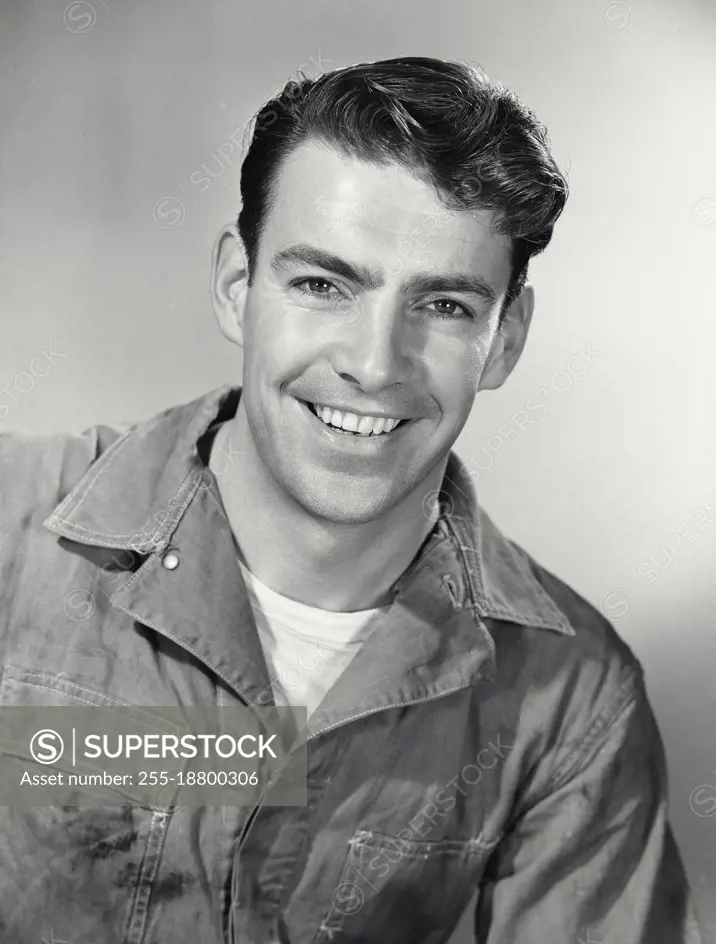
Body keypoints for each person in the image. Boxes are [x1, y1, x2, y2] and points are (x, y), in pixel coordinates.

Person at [0, 57, 703, 944]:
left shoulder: (573, 702)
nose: (374, 366)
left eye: (444, 305)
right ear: (236, 285)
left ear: (504, 341)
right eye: (324, 285)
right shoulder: (13, 527)